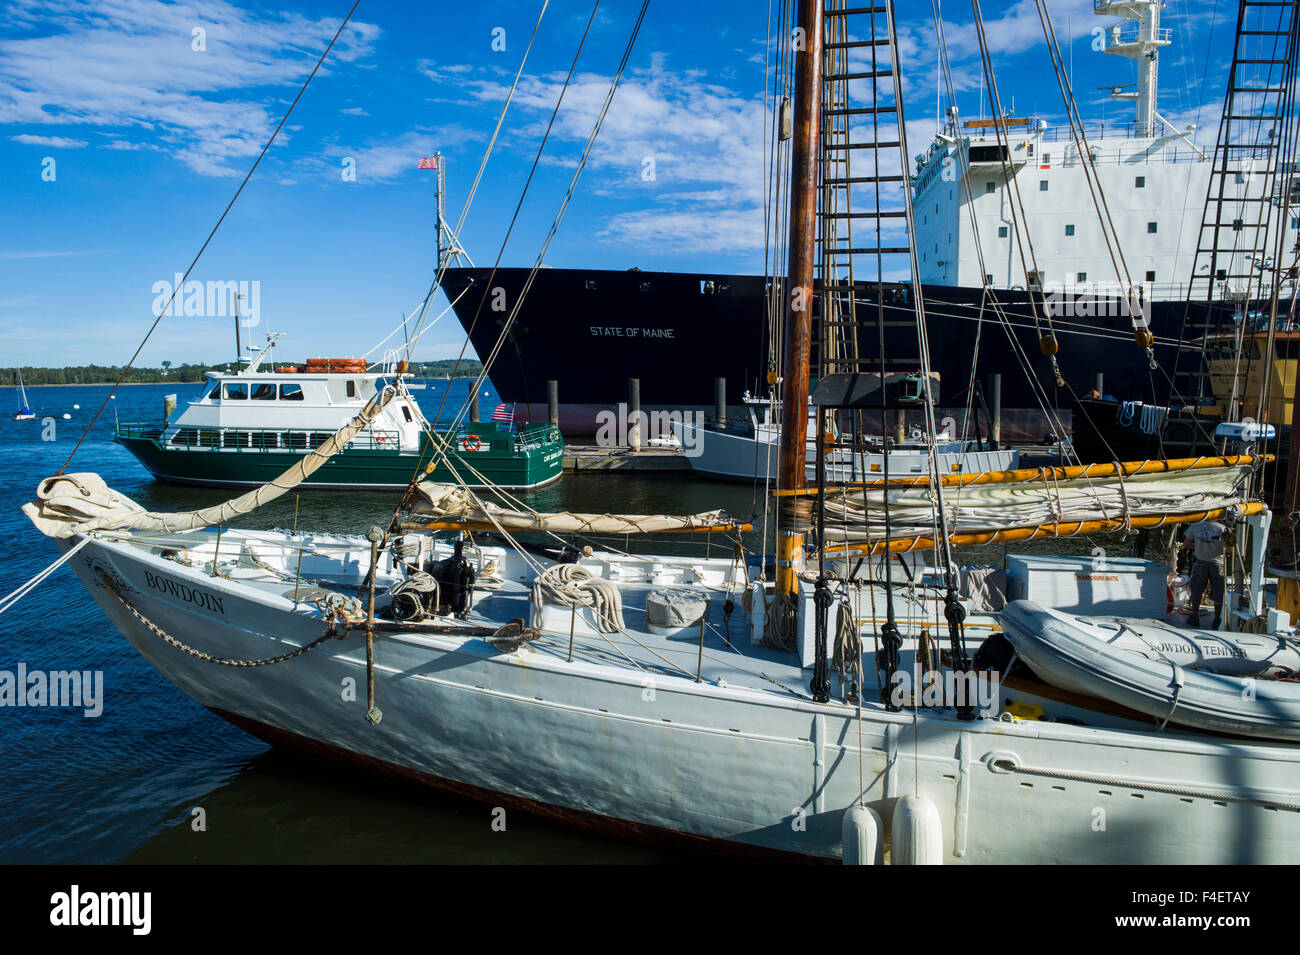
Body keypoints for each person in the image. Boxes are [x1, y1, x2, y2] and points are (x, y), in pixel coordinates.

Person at [1179, 518, 1235, 629]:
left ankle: (1195, 617)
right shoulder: (1223, 529)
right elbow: (1229, 549)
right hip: (1218, 563)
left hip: (1200, 562)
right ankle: (1217, 619)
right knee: (1218, 592)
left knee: (1197, 590)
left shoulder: (1195, 526)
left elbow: (1186, 545)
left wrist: (1198, 547)